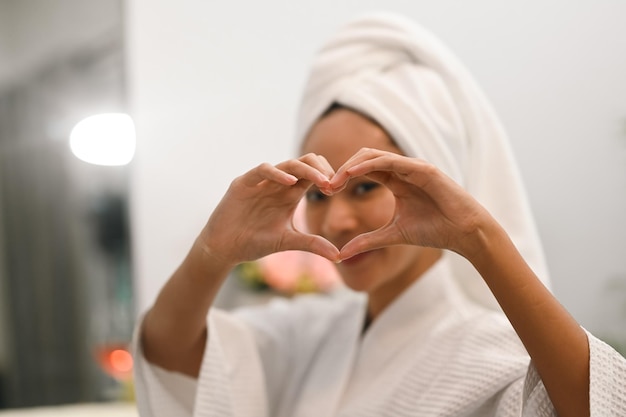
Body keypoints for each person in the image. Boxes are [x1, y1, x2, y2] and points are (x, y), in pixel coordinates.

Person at [132, 12, 626, 417]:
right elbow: (170, 358)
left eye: (366, 187)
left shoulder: (495, 350)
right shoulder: (309, 336)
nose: (336, 222)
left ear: (436, 184)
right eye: (319, 195)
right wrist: (212, 252)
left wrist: (478, 236)